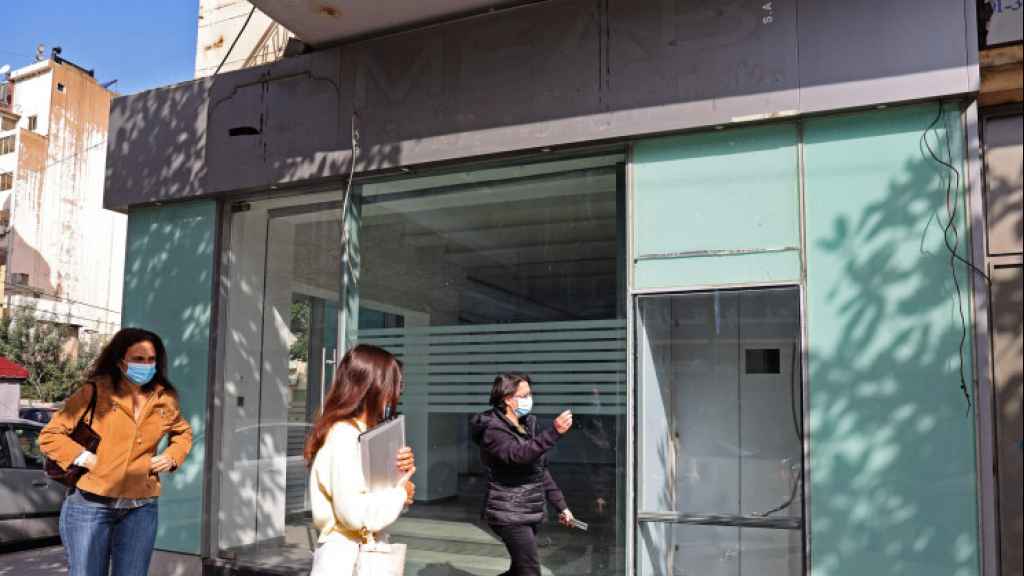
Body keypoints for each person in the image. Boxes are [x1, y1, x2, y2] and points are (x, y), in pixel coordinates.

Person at [39, 328, 193, 576]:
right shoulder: (95, 391)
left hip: (141, 508)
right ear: (120, 360)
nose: (145, 365)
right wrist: (85, 458)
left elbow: (183, 432)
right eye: (138, 359)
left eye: (151, 359)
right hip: (90, 505)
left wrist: (172, 456)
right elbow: (50, 435)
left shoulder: (165, 398)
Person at [305, 344, 416, 576]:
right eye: (394, 385)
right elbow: (355, 514)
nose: (396, 394)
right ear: (374, 387)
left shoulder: (362, 432)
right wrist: (400, 493)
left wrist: (399, 476)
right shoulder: (344, 436)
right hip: (345, 560)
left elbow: (369, 495)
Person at [471, 373, 575, 576]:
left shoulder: (527, 425)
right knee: (530, 571)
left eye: (530, 394)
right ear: (507, 399)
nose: (530, 399)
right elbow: (518, 455)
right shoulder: (493, 430)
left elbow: (539, 470)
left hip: (529, 510)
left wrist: (561, 506)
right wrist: (554, 432)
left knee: (519, 570)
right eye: (524, 395)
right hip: (508, 513)